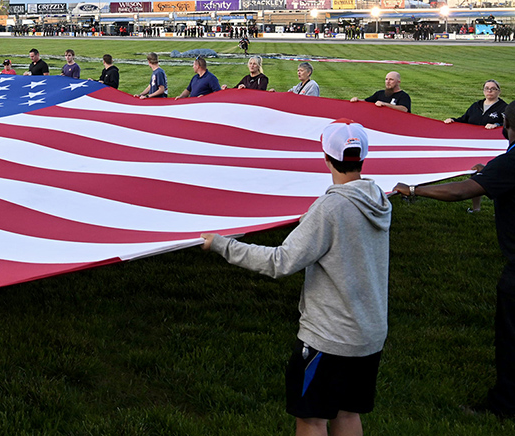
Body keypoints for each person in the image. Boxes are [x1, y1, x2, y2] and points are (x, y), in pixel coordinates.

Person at [204, 120, 390, 435]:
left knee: (311, 418)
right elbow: (343, 236)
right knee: (347, 413)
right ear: (364, 157)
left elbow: (281, 262)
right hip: (368, 334)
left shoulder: (330, 209)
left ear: (325, 157)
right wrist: (310, 223)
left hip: (331, 339)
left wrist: (222, 245)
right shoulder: (378, 198)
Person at [392, 110, 515, 419]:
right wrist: (488, 173)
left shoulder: (511, 162)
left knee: (512, 336)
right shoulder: (506, 165)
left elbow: (461, 191)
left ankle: (505, 406)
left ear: (507, 128)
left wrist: (415, 190)